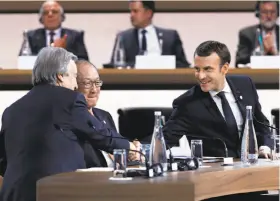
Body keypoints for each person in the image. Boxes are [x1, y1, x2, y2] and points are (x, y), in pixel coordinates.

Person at [0, 47, 137, 201]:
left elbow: (3, 161)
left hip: (13, 194)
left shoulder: (11, 110)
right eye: (74, 77)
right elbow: (101, 134)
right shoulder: (69, 99)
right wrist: (132, 147)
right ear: (60, 77)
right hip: (56, 192)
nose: (74, 85)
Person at [163, 40, 273, 159]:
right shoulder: (187, 103)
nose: (201, 76)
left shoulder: (245, 84)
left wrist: (265, 147)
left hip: (252, 166)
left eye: (207, 69)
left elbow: (261, 124)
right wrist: (141, 149)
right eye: (197, 69)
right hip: (214, 172)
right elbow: (164, 139)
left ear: (224, 68)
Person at [76, 60, 139, 167]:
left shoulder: (104, 116)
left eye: (97, 83)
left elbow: (117, 151)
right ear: (74, 85)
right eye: (87, 83)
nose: (94, 90)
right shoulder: (74, 119)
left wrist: (130, 153)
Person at [108, 0, 190, 68]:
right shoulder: (123, 37)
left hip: (165, 81)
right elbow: (115, 64)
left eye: (135, 11)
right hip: (134, 82)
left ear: (149, 13)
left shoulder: (170, 36)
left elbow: (183, 64)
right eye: (131, 11)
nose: (131, 15)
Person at [19, 0, 89, 60]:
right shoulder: (31, 36)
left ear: (62, 17)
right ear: (41, 18)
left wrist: (62, 54)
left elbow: (84, 62)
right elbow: (23, 60)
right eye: (46, 13)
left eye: (54, 12)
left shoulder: (75, 36)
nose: (50, 15)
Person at [235, 0, 279, 66]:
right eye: (265, 12)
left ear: (278, 13)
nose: (269, 16)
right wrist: (261, 51)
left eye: (272, 12)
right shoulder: (247, 34)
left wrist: (276, 53)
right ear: (258, 14)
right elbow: (240, 62)